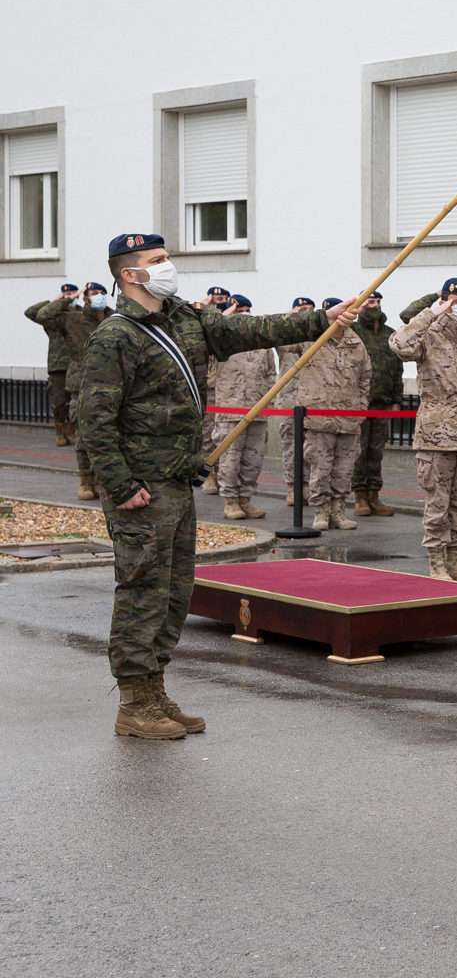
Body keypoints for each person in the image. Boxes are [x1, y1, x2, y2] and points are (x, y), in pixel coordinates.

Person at [81, 233, 356, 739]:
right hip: (142, 486)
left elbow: (254, 328)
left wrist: (322, 318)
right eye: (157, 261)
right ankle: (133, 702)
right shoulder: (115, 336)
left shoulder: (185, 318)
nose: (169, 267)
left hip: (177, 480)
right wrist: (120, 486)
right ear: (130, 274)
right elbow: (95, 422)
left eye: (167, 258)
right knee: (142, 590)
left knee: (173, 590)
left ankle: (155, 688)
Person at [390, 278, 457, 582]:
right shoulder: (427, 335)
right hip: (437, 436)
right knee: (438, 503)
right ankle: (437, 564)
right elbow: (398, 344)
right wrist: (428, 315)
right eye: (455, 302)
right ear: (444, 303)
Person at [294, 297, 371, 532]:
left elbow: (365, 377)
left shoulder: (355, 343)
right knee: (320, 467)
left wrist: (362, 406)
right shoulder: (309, 339)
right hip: (319, 416)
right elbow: (281, 344)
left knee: (344, 468)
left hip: (348, 416)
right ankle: (320, 511)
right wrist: (299, 315)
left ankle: (338, 511)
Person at [38, 282, 114, 499]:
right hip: (80, 384)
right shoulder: (73, 319)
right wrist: (69, 298)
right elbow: (43, 315)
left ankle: (100, 481)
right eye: (94, 293)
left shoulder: (115, 319)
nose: (100, 296)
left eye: (102, 293)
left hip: (111, 384)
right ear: (86, 298)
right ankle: (85, 482)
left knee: (106, 436)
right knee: (83, 435)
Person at [206, 295, 276, 520]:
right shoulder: (219, 343)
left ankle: (246, 500)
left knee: (253, 460)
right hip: (229, 410)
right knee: (230, 459)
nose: (244, 315)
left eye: (247, 310)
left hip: (257, 411)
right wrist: (220, 317)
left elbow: (271, 375)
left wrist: (270, 405)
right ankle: (230, 502)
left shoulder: (261, 344)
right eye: (239, 311)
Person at [350, 291, 404, 518]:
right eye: (370, 302)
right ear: (361, 306)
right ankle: (360, 497)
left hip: (383, 401)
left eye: (378, 301)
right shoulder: (352, 333)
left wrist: (397, 400)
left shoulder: (390, 335)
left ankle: (374, 495)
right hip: (359, 403)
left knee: (376, 451)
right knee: (359, 451)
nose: (375, 305)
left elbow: (397, 370)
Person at [25, 284, 78, 446]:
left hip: (77, 365)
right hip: (58, 366)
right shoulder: (53, 316)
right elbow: (30, 313)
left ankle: (72, 432)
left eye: (71, 294)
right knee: (60, 402)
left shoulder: (82, 314)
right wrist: (53, 301)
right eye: (65, 294)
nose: (68, 297)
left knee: (76, 401)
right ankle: (60, 434)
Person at [276, 297, 316, 507]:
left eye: (309, 311)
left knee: (310, 446)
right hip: (289, 400)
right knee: (291, 445)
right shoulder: (287, 337)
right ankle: (292, 487)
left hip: (313, 400)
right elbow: (281, 343)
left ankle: (308, 485)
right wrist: (291, 318)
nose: (304, 315)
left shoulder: (317, 336)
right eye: (301, 311)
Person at [198, 287, 233, 494]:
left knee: (223, 435)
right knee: (208, 435)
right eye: (216, 300)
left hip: (227, 388)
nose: (220, 303)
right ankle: (208, 475)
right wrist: (204, 305)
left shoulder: (225, 323)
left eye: (224, 300)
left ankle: (222, 474)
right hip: (208, 387)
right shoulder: (203, 320)